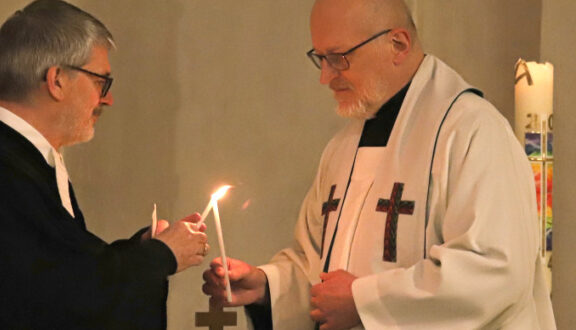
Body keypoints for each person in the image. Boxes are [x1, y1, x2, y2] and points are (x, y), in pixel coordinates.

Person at [202, 0, 556, 329]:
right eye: (320, 58)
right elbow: (318, 267)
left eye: (339, 57)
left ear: (398, 45)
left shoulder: (471, 131)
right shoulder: (342, 147)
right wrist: (267, 287)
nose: (325, 77)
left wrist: (363, 301)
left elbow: (495, 269)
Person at [0, 0, 209, 328]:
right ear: (57, 79)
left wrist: (145, 249)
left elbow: (61, 269)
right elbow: (58, 303)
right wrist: (160, 257)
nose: (108, 99)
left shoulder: (9, 159)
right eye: (101, 82)